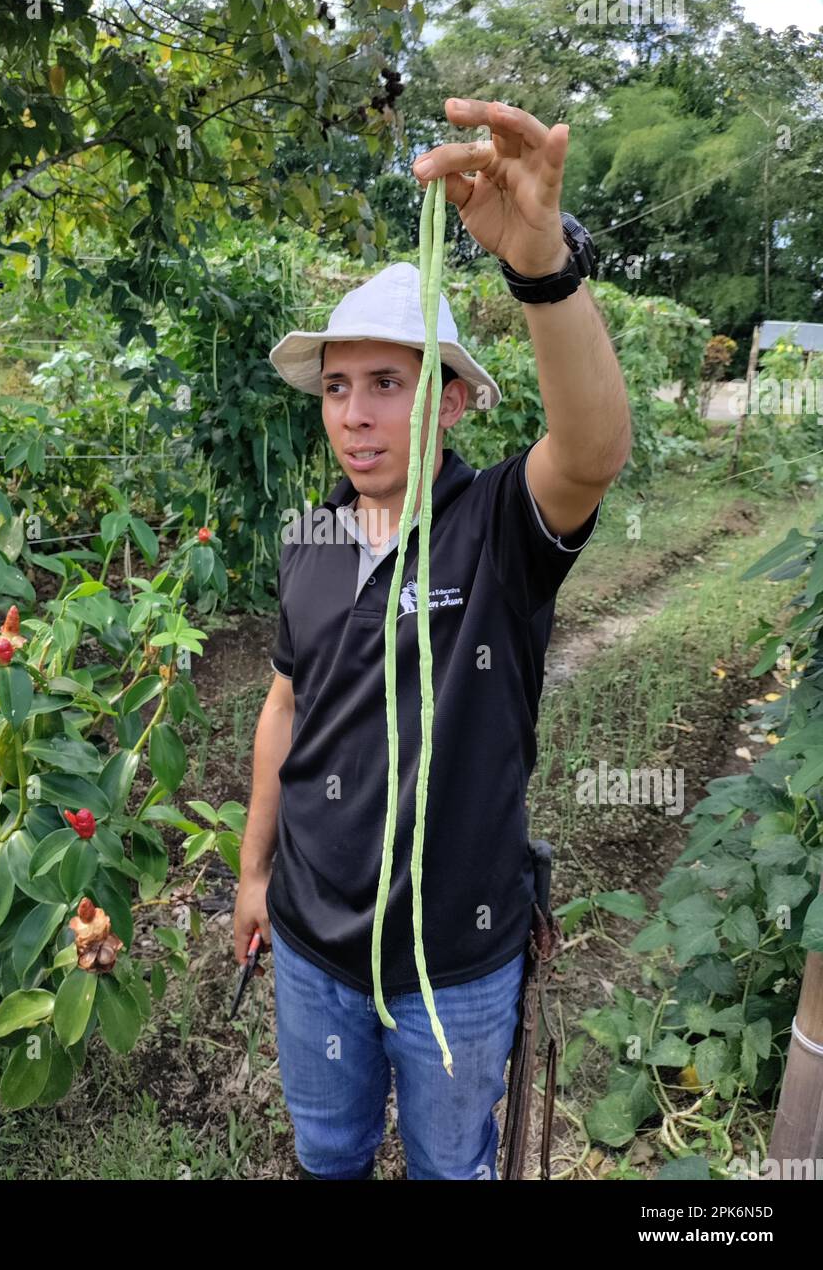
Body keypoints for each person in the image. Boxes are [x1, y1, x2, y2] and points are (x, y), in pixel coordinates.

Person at [233, 96, 633, 1180]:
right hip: (314, 944)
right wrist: (254, 870)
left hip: (453, 956)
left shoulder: (500, 527)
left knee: (453, 1166)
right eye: (336, 388)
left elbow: (593, 449)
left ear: (452, 400)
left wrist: (542, 266)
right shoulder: (311, 537)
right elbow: (285, 703)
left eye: (387, 384)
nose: (354, 415)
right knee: (328, 1154)